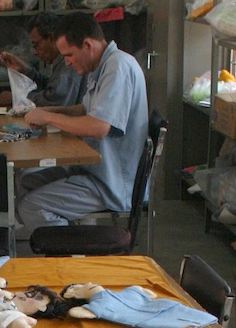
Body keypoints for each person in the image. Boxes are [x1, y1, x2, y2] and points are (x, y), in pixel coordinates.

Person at [17, 12, 148, 235]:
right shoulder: (100, 65)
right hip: (96, 170)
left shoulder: (118, 67)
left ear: (87, 45)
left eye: (69, 55)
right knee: (26, 181)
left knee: (32, 205)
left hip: (113, 183)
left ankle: (71, 258)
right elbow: (85, 110)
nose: (66, 62)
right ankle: (63, 241)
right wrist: (48, 110)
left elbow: (98, 127)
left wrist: (48, 118)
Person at [0, 12, 83, 107]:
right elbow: (50, 88)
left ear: (51, 37)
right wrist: (25, 70)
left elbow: (54, 101)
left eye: (36, 45)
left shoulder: (69, 65)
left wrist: (17, 98)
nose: (34, 52)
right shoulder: (61, 62)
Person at [60, 282, 218, 328]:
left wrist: (139, 291)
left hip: (161, 307)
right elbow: (76, 312)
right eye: (77, 288)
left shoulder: (122, 292)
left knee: (180, 311)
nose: (87, 283)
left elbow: (147, 293)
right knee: (177, 322)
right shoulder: (97, 305)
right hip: (145, 318)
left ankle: (201, 318)